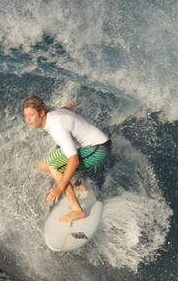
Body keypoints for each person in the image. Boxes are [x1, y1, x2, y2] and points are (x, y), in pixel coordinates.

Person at [22, 95, 111, 224]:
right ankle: (77, 185)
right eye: (25, 115)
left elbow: (74, 160)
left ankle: (77, 209)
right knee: (43, 164)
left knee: (54, 166)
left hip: (99, 150)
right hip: (94, 145)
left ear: (41, 113)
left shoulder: (57, 128)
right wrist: (67, 109)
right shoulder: (51, 111)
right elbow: (62, 109)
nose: (28, 119)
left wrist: (59, 187)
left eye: (31, 115)